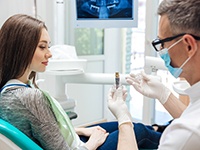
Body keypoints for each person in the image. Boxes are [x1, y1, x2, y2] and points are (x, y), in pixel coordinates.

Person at [0, 14, 169, 150]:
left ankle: (161, 129)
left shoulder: (9, 90)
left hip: (68, 141)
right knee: (138, 132)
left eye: (48, 46)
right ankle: (177, 139)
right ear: (21, 48)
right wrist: (93, 142)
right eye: (42, 47)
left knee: (127, 125)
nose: (49, 53)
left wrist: (81, 130)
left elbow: (42, 132)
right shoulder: (30, 97)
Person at [109, 0, 200, 149]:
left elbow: (190, 130)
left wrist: (123, 119)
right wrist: (164, 94)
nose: (161, 51)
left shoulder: (186, 134)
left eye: (162, 43)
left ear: (189, 45)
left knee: (139, 131)